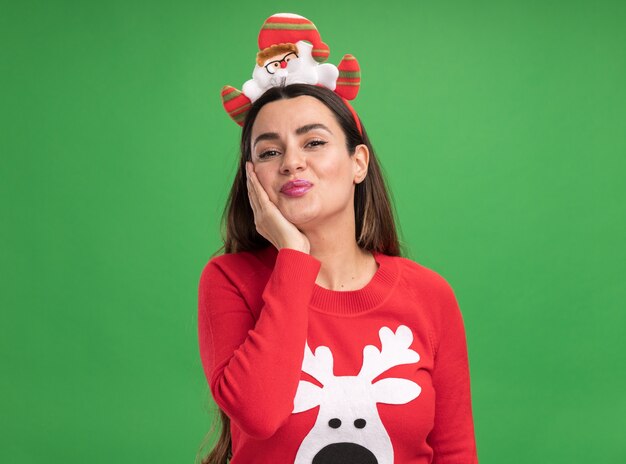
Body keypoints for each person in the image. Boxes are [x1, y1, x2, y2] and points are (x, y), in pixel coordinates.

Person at [197, 13, 478, 464]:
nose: (291, 162)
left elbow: (456, 452)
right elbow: (260, 413)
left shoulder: (430, 296)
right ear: (252, 178)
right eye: (269, 151)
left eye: (313, 143)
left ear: (358, 163)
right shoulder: (229, 280)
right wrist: (293, 255)